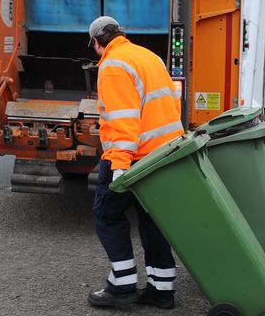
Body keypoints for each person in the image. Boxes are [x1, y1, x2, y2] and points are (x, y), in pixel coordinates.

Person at [87, 16, 184, 310]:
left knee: (106, 214)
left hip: (134, 159)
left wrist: (119, 166)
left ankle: (123, 285)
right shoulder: (148, 56)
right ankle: (161, 290)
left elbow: (124, 121)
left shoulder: (113, 65)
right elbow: (173, 99)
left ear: (96, 42)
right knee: (152, 220)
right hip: (163, 154)